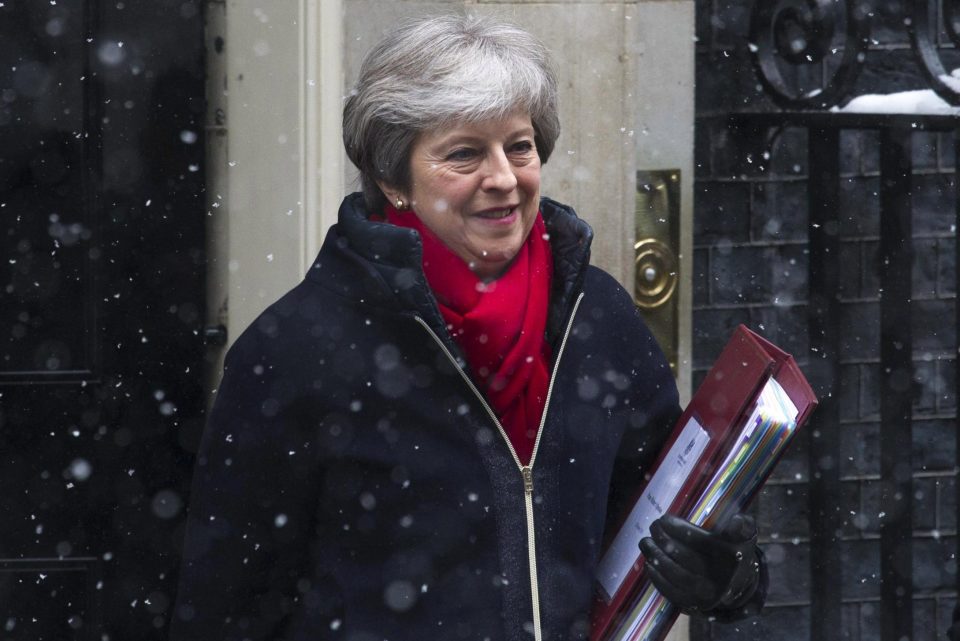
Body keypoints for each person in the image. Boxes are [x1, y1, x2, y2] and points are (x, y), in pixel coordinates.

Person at [170, 14, 766, 641]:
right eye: (464, 154)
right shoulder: (293, 350)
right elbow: (225, 606)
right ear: (392, 179)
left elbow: (666, 515)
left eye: (520, 146)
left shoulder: (598, 316)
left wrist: (729, 575)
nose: (504, 179)